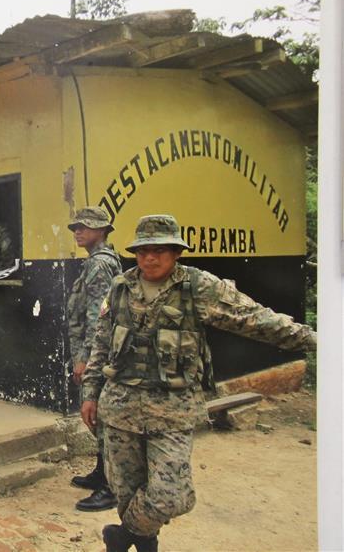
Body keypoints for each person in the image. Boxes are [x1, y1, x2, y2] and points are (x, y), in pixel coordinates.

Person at [81, 214, 316, 552]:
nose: (150, 257)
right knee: (127, 492)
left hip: (172, 412)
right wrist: (90, 393)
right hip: (120, 408)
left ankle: (122, 535)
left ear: (177, 252)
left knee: (170, 496)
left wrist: (313, 339)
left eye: (160, 250)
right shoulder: (120, 287)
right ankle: (143, 544)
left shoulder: (197, 286)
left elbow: (252, 318)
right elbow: (100, 345)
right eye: (143, 250)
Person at [65, 207, 122, 512]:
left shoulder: (100, 265)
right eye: (76, 227)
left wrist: (84, 359)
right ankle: (102, 472)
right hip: (97, 352)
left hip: (95, 354)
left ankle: (111, 487)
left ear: (102, 231)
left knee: (97, 414)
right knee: (96, 415)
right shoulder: (98, 261)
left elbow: (96, 318)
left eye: (85, 227)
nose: (78, 231)